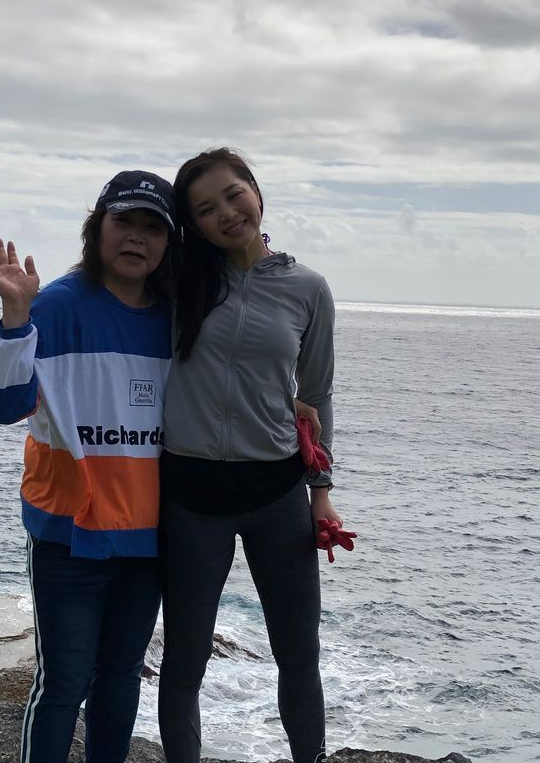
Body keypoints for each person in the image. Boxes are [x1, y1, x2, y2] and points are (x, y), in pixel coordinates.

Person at [0, 171, 178, 763]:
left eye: (152, 228)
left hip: (147, 538)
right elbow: (3, 405)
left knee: (121, 676)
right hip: (69, 533)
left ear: (168, 244)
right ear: (97, 229)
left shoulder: (177, 318)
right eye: (124, 222)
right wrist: (16, 319)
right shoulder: (58, 305)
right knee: (63, 683)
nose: (136, 237)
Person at [157, 148, 343, 763]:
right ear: (193, 224)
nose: (226, 213)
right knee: (184, 660)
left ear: (257, 193)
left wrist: (321, 493)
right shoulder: (179, 280)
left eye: (234, 194)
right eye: (206, 209)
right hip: (191, 498)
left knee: (298, 654)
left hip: (276, 495)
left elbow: (317, 396)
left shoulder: (308, 288)